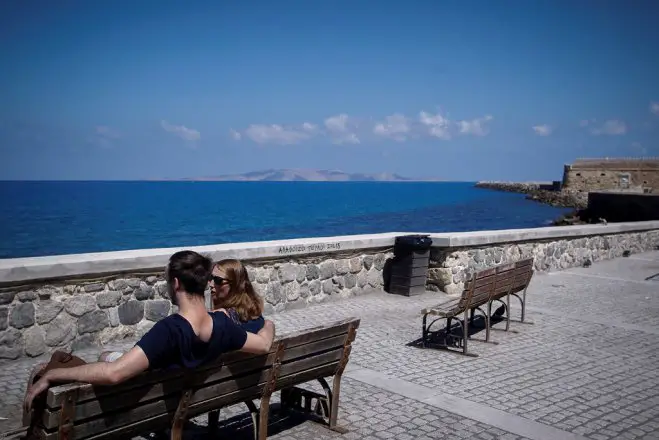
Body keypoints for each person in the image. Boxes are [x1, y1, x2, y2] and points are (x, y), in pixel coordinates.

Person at [24, 250, 276, 413]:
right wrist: (269, 324)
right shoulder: (223, 326)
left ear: (175, 283)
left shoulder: (170, 330)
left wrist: (53, 375)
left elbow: (114, 374)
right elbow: (264, 345)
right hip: (188, 401)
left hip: (138, 410)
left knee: (76, 363)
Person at [209, 259, 265, 333]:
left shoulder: (223, 318)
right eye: (210, 278)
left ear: (235, 284)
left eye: (218, 280)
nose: (211, 284)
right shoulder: (253, 310)